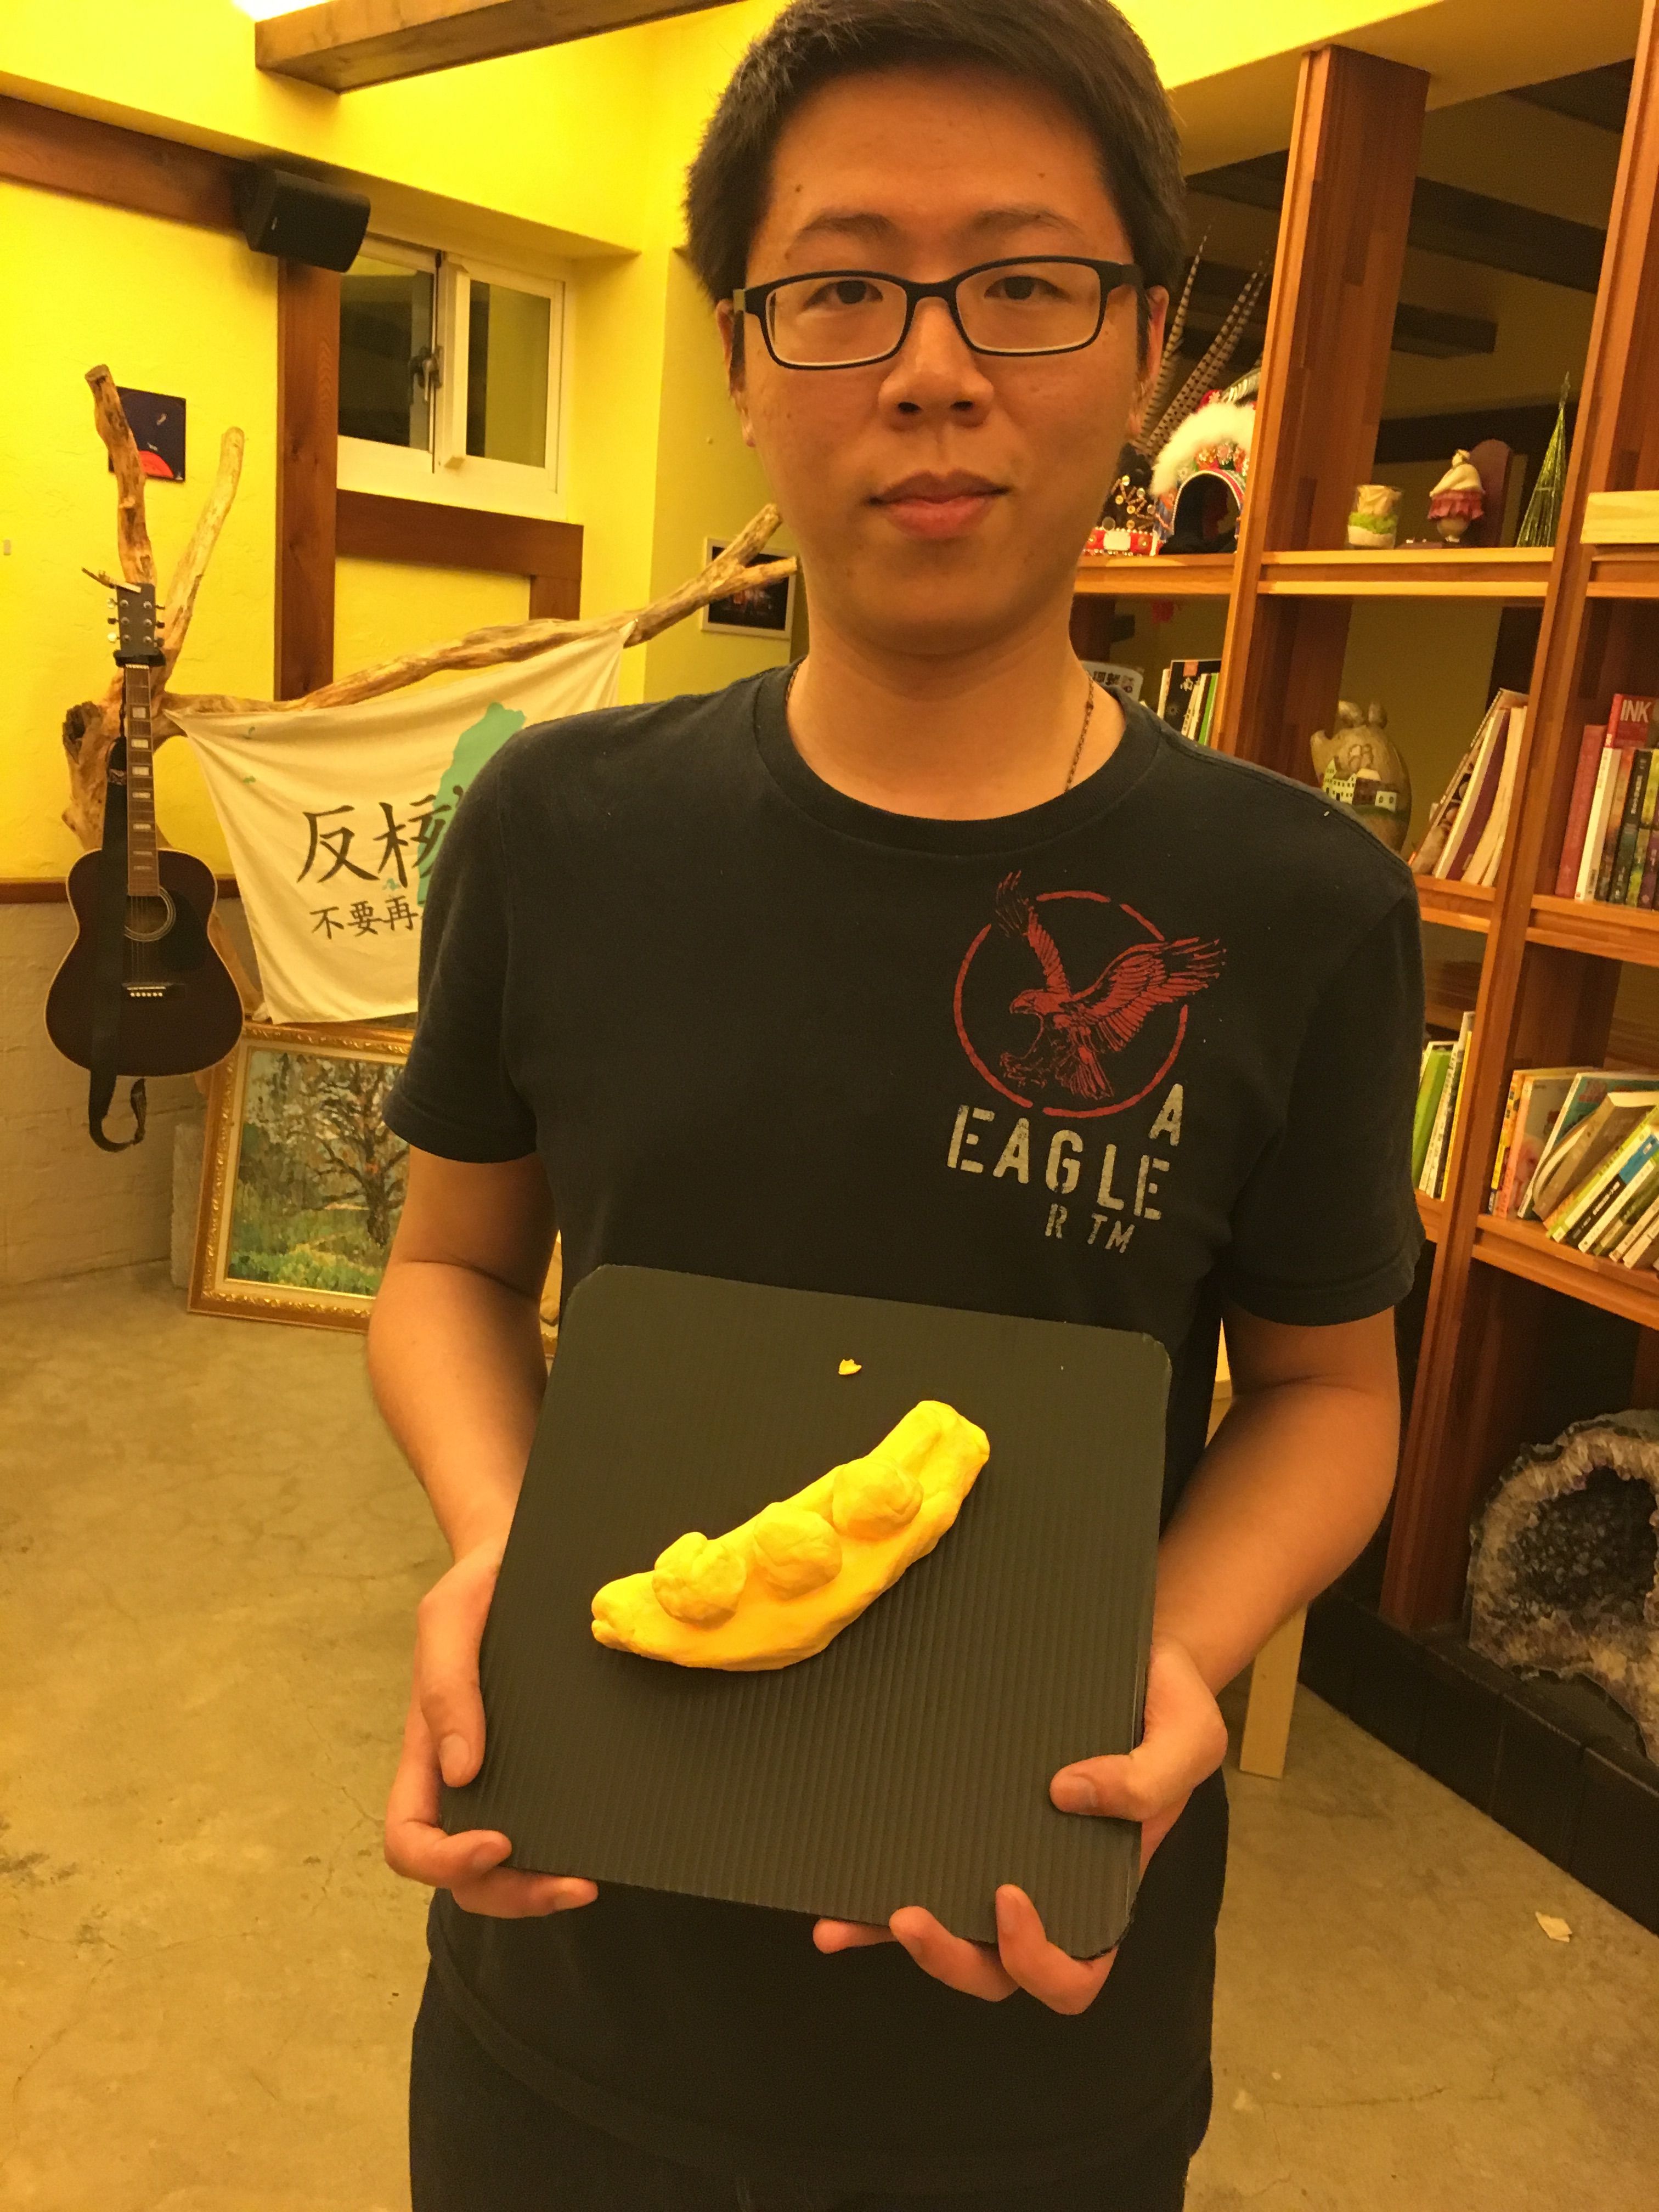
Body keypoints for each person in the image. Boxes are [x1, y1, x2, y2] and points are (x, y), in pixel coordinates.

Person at [369, 1, 1423, 2204]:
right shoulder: (558, 829)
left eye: (1024, 283)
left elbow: (1331, 1393)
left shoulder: (1300, 902)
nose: (933, 371)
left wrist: (1172, 1647)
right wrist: (498, 1541)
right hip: (574, 1973)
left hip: (1036, 1995)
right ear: (745, 361)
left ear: (1144, 350)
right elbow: (451, 1270)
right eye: (844, 290)